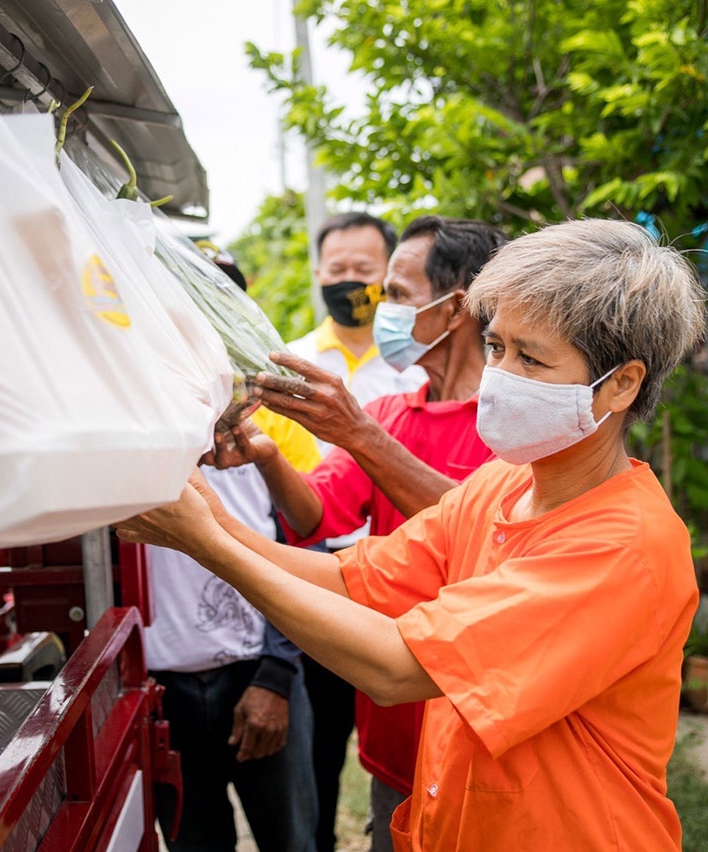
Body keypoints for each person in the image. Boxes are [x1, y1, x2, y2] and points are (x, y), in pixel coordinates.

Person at [118, 218, 708, 849]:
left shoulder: (621, 544)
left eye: (530, 358)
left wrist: (207, 543)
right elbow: (349, 578)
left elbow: (398, 666)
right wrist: (212, 520)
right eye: (496, 347)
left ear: (621, 384)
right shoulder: (502, 484)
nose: (500, 374)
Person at [210, 215, 507, 850]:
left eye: (397, 294)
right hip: (394, 722)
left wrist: (360, 435)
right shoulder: (390, 414)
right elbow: (316, 515)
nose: (382, 310)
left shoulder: (512, 426)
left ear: (455, 308)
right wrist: (267, 457)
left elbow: (488, 533)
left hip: (481, 724)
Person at [145, 249, 318, 852]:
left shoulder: (271, 422)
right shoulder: (133, 422)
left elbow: (306, 541)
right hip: (162, 687)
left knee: (291, 838)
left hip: (258, 670)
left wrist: (277, 673)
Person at [272, 211, 425, 851]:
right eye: (337, 269)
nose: (349, 281)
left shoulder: (417, 366)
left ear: (387, 275)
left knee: (411, 745)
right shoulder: (290, 362)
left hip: (407, 583)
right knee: (319, 747)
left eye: (364, 270)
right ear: (317, 273)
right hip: (320, 575)